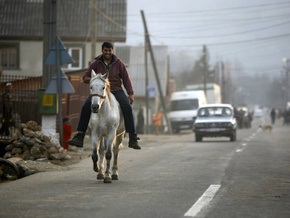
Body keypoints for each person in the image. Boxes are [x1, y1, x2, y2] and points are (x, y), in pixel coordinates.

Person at [68, 42, 141, 150]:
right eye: (105, 50)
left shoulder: (119, 63)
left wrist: (130, 93)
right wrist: (95, 79)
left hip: (116, 90)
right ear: (102, 50)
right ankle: (80, 136)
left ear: (112, 51)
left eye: (109, 50)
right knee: (85, 106)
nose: (107, 52)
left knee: (127, 107)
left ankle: (132, 137)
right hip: (99, 91)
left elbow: (126, 78)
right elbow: (85, 78)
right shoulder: (96, 63)